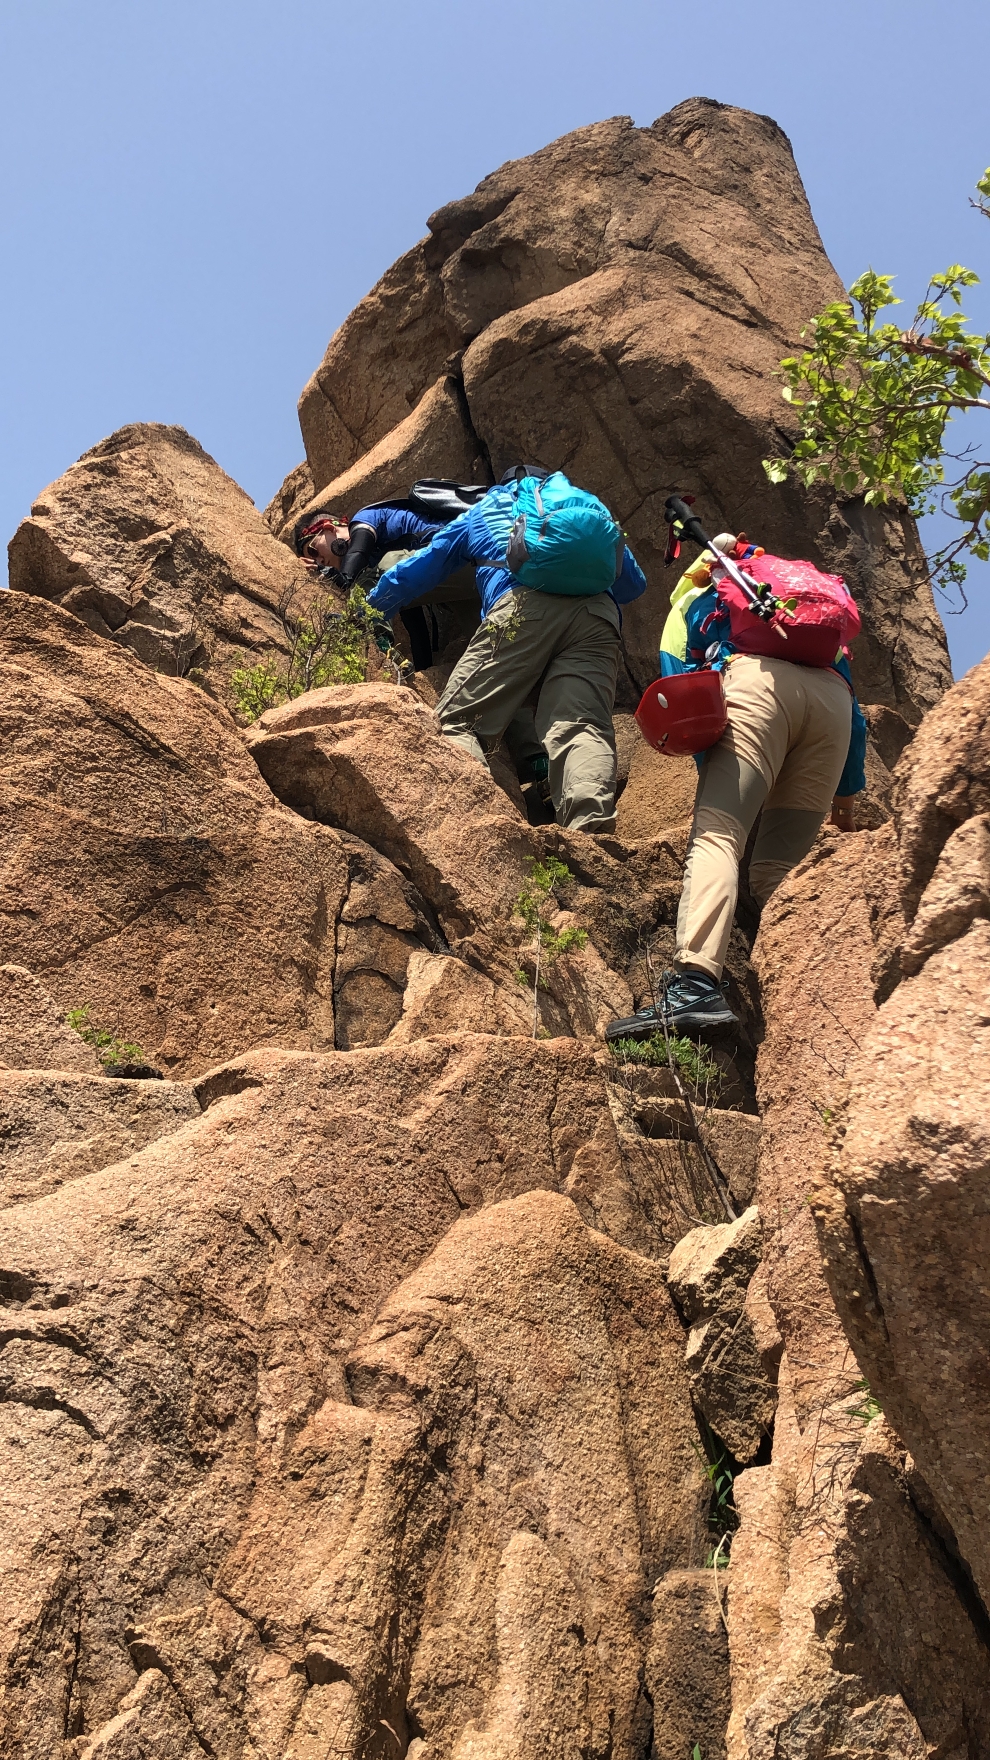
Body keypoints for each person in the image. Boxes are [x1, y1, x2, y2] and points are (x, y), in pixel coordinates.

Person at [604, 532, 868, 1039]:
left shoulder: (707, 592)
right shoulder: (797, 606)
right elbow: (855, 719)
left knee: (720, 835)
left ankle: (694, 986)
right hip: (833, 707)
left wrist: (719, 768)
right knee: (779, 874)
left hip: (756, 687)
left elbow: (677, 675)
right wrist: (846, 803)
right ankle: (821, 997)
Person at [367, 467, 649, 834]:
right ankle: (591, 836)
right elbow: (632, 586)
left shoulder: (486, 511)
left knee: (458, 722)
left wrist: (370, 609)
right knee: (582, 727)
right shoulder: (587, 506)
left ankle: (473, 831)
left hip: (521, 608)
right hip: (597, 618)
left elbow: (417, 570)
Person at [294, 499, 556, 824]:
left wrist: (334, 579)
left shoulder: (366, 521)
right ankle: (540, 766)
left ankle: (368, 630)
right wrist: (412, 675)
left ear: (329, 528)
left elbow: (360, 560)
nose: (321, 558)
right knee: (494, 676)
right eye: (314, 558)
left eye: (315, 548)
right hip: (479, 574)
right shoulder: (390, 558)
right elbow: (417, 625)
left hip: (460, 552)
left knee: (374, 577)